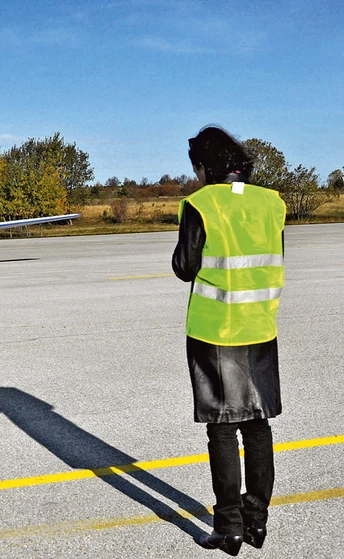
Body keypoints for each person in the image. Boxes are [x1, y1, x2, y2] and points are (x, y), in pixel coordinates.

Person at [172, 125, 286, 556]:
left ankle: (229, 528)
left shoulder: (200, 204)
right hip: (260, 326)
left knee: (222, 429)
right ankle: (257, 522)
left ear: (205, 166)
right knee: (258, 425)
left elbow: (185, 266)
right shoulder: (270, 203)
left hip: (214, 330)